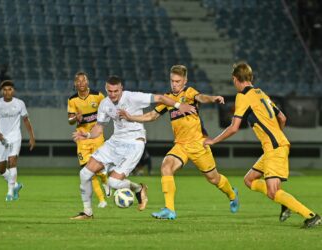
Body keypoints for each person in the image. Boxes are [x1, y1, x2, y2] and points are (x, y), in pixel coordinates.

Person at [204, 62, 321, 228]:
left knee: (273, 192)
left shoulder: (242, 96)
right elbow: (283, 118)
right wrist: (277, 136)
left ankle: (311, 216)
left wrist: (213, 140)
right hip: (274, 147)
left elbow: (234, 127)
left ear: (235, 79)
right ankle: (285, 203)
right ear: (251, 78)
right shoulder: (261, 93)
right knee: (249, 180)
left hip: (274, 148)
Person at [118, 65, 239, 220]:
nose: (174, 84)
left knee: (213, 179)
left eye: (177, 81)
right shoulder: (168, 99)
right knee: (166, 166)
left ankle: (231, 194)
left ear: (185, 81)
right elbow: (151, 116)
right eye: (172, 81)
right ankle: (169, 209)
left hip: (198, 144)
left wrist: (213, 98)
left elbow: (201, 97)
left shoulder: (189, 93)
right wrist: (131, 117)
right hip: (181, 145)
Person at [70, 75, 196, 220]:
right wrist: (86, 135)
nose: (112, 94)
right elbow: (99, 128)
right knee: (84, 174)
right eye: (109, 91)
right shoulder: (105, 104)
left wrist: (180, 106)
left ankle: (138, 188)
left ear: (121, 89)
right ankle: (87, 212)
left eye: (116, 91)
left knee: (114, 182)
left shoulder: (133, 97)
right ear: (106, 89)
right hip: (115, 142)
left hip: (135, 142)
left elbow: (161, 98)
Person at [67, 71, 110, 208]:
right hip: (82, 138)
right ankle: (102, 200)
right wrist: (76, 118)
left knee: (99, 168)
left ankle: (105, 180)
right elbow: (70, 120)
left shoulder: (98, 96)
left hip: (96, 136)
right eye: (78, 81)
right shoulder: (72, 99)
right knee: (88, 171)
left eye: (83, 81)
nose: (81, 83)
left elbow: (107, 110)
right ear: (75, 84)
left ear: (87, 82)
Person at [0, 80, 35, 201]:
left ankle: (10, 193)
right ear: (1, 91)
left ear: (13, 90)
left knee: (12, 162)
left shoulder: (20, 103)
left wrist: (32, 137)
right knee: (0, 169)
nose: (7, 92)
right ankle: (16, 185)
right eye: (4, 90)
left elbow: (26, 120)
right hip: (2, 138)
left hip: (15, 136)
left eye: (9, 89)